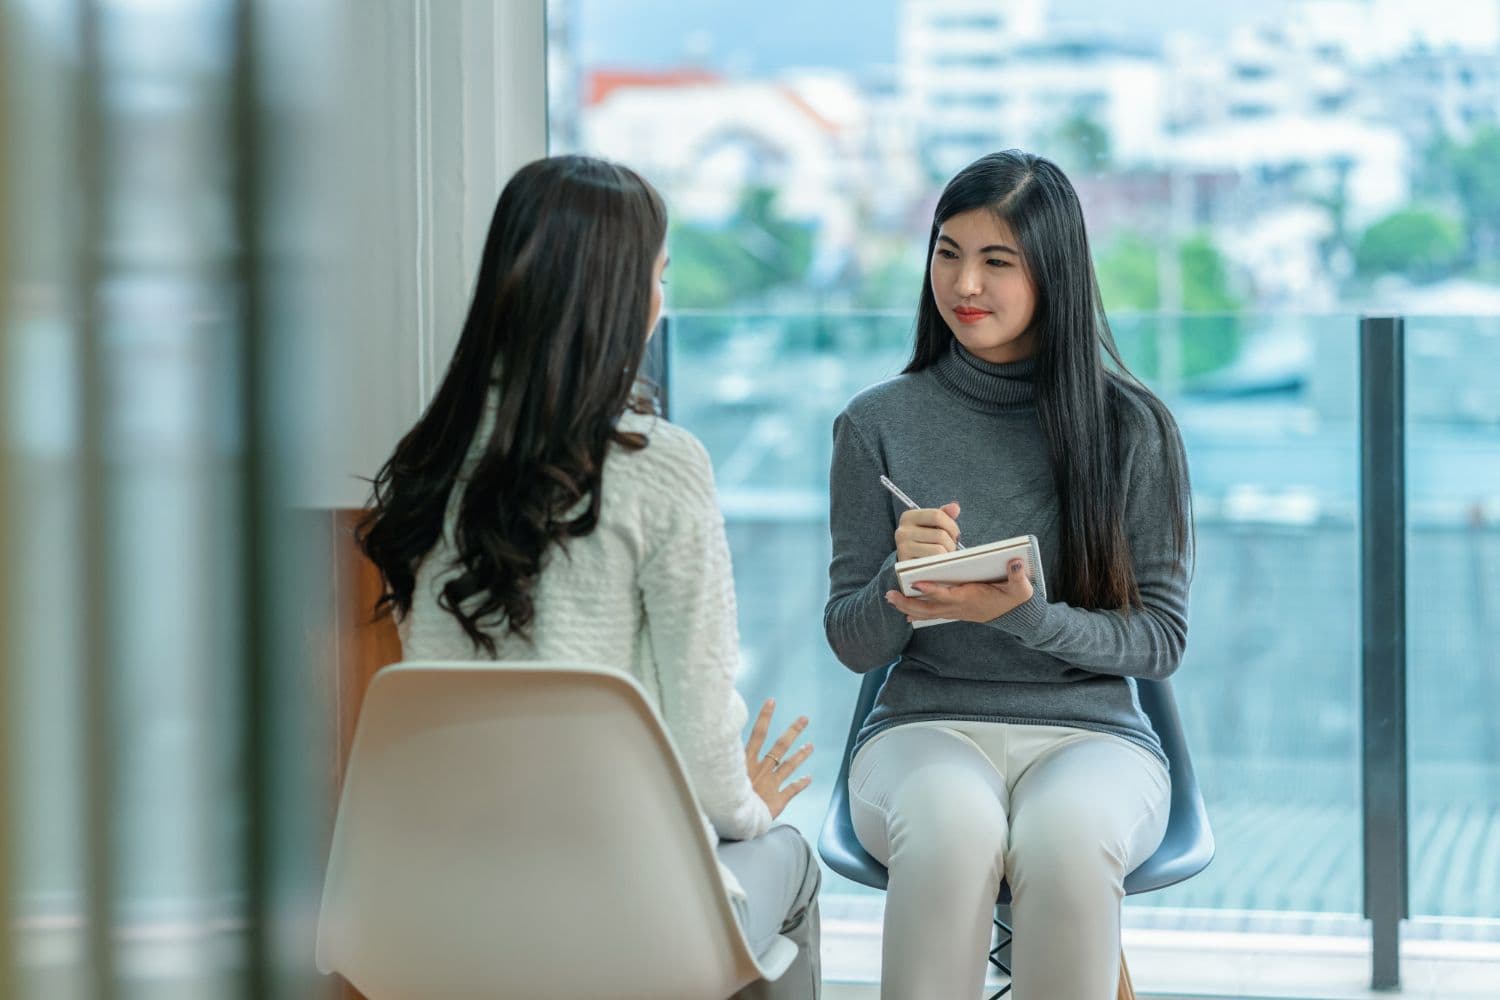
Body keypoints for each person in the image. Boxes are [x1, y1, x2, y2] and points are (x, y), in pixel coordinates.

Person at [357, 155, 821, 999]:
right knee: (792, 864)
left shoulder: (431, 462)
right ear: (619, 297)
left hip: (437, 906)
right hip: (626, 911)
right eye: (658, 275)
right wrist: (749, 806)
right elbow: (702, 738)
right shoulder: (662, 465)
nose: (660, 299)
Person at [824, 149, 1192, 1000]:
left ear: (1053, 275)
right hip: (924, 727)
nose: (965, 283)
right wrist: (895, 576)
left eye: (997, 261)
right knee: (953, 829)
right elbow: (849, 641)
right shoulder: (875, 424)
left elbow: (1161, 641)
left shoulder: (1134, 429)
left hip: (1092, 736)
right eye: (948, 252)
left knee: (1067, 840)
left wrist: (1023, 614)